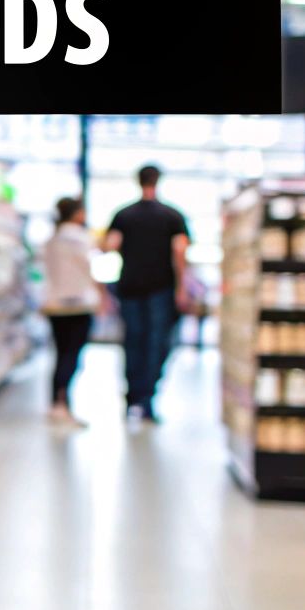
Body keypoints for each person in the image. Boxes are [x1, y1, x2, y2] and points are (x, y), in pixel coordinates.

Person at [104, 165, 190, 425]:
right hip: (160, 288)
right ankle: (147, 399)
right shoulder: (173, 216)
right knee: (156, 343)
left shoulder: (123, 215)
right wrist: (182, 287)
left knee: (132, 341)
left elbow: (109, 245)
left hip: (130, 286)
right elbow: (179, 253)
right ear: (158, 181)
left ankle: (131, 398)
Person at [43, 197, 103, 427]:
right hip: (77, 305)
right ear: (77, 213)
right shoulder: (79, 238)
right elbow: (89, 268)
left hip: (55, 304)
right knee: (72, 356)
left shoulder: (52, 239)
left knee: (60, 354)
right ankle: (62, 405)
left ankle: (56, 403)